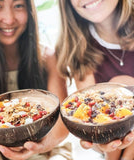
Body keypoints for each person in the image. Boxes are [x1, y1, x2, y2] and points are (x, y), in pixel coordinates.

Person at [0, 0, 71, 160]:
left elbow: (62, 124)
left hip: (48, 150)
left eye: (18, 5)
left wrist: (40, 146)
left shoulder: (49, 58)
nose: (9, 19)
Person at [56, 0, 134, 160]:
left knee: (123, 82)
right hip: (117, 144)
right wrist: (101, 143)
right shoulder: (79, 47)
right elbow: (96, 127)